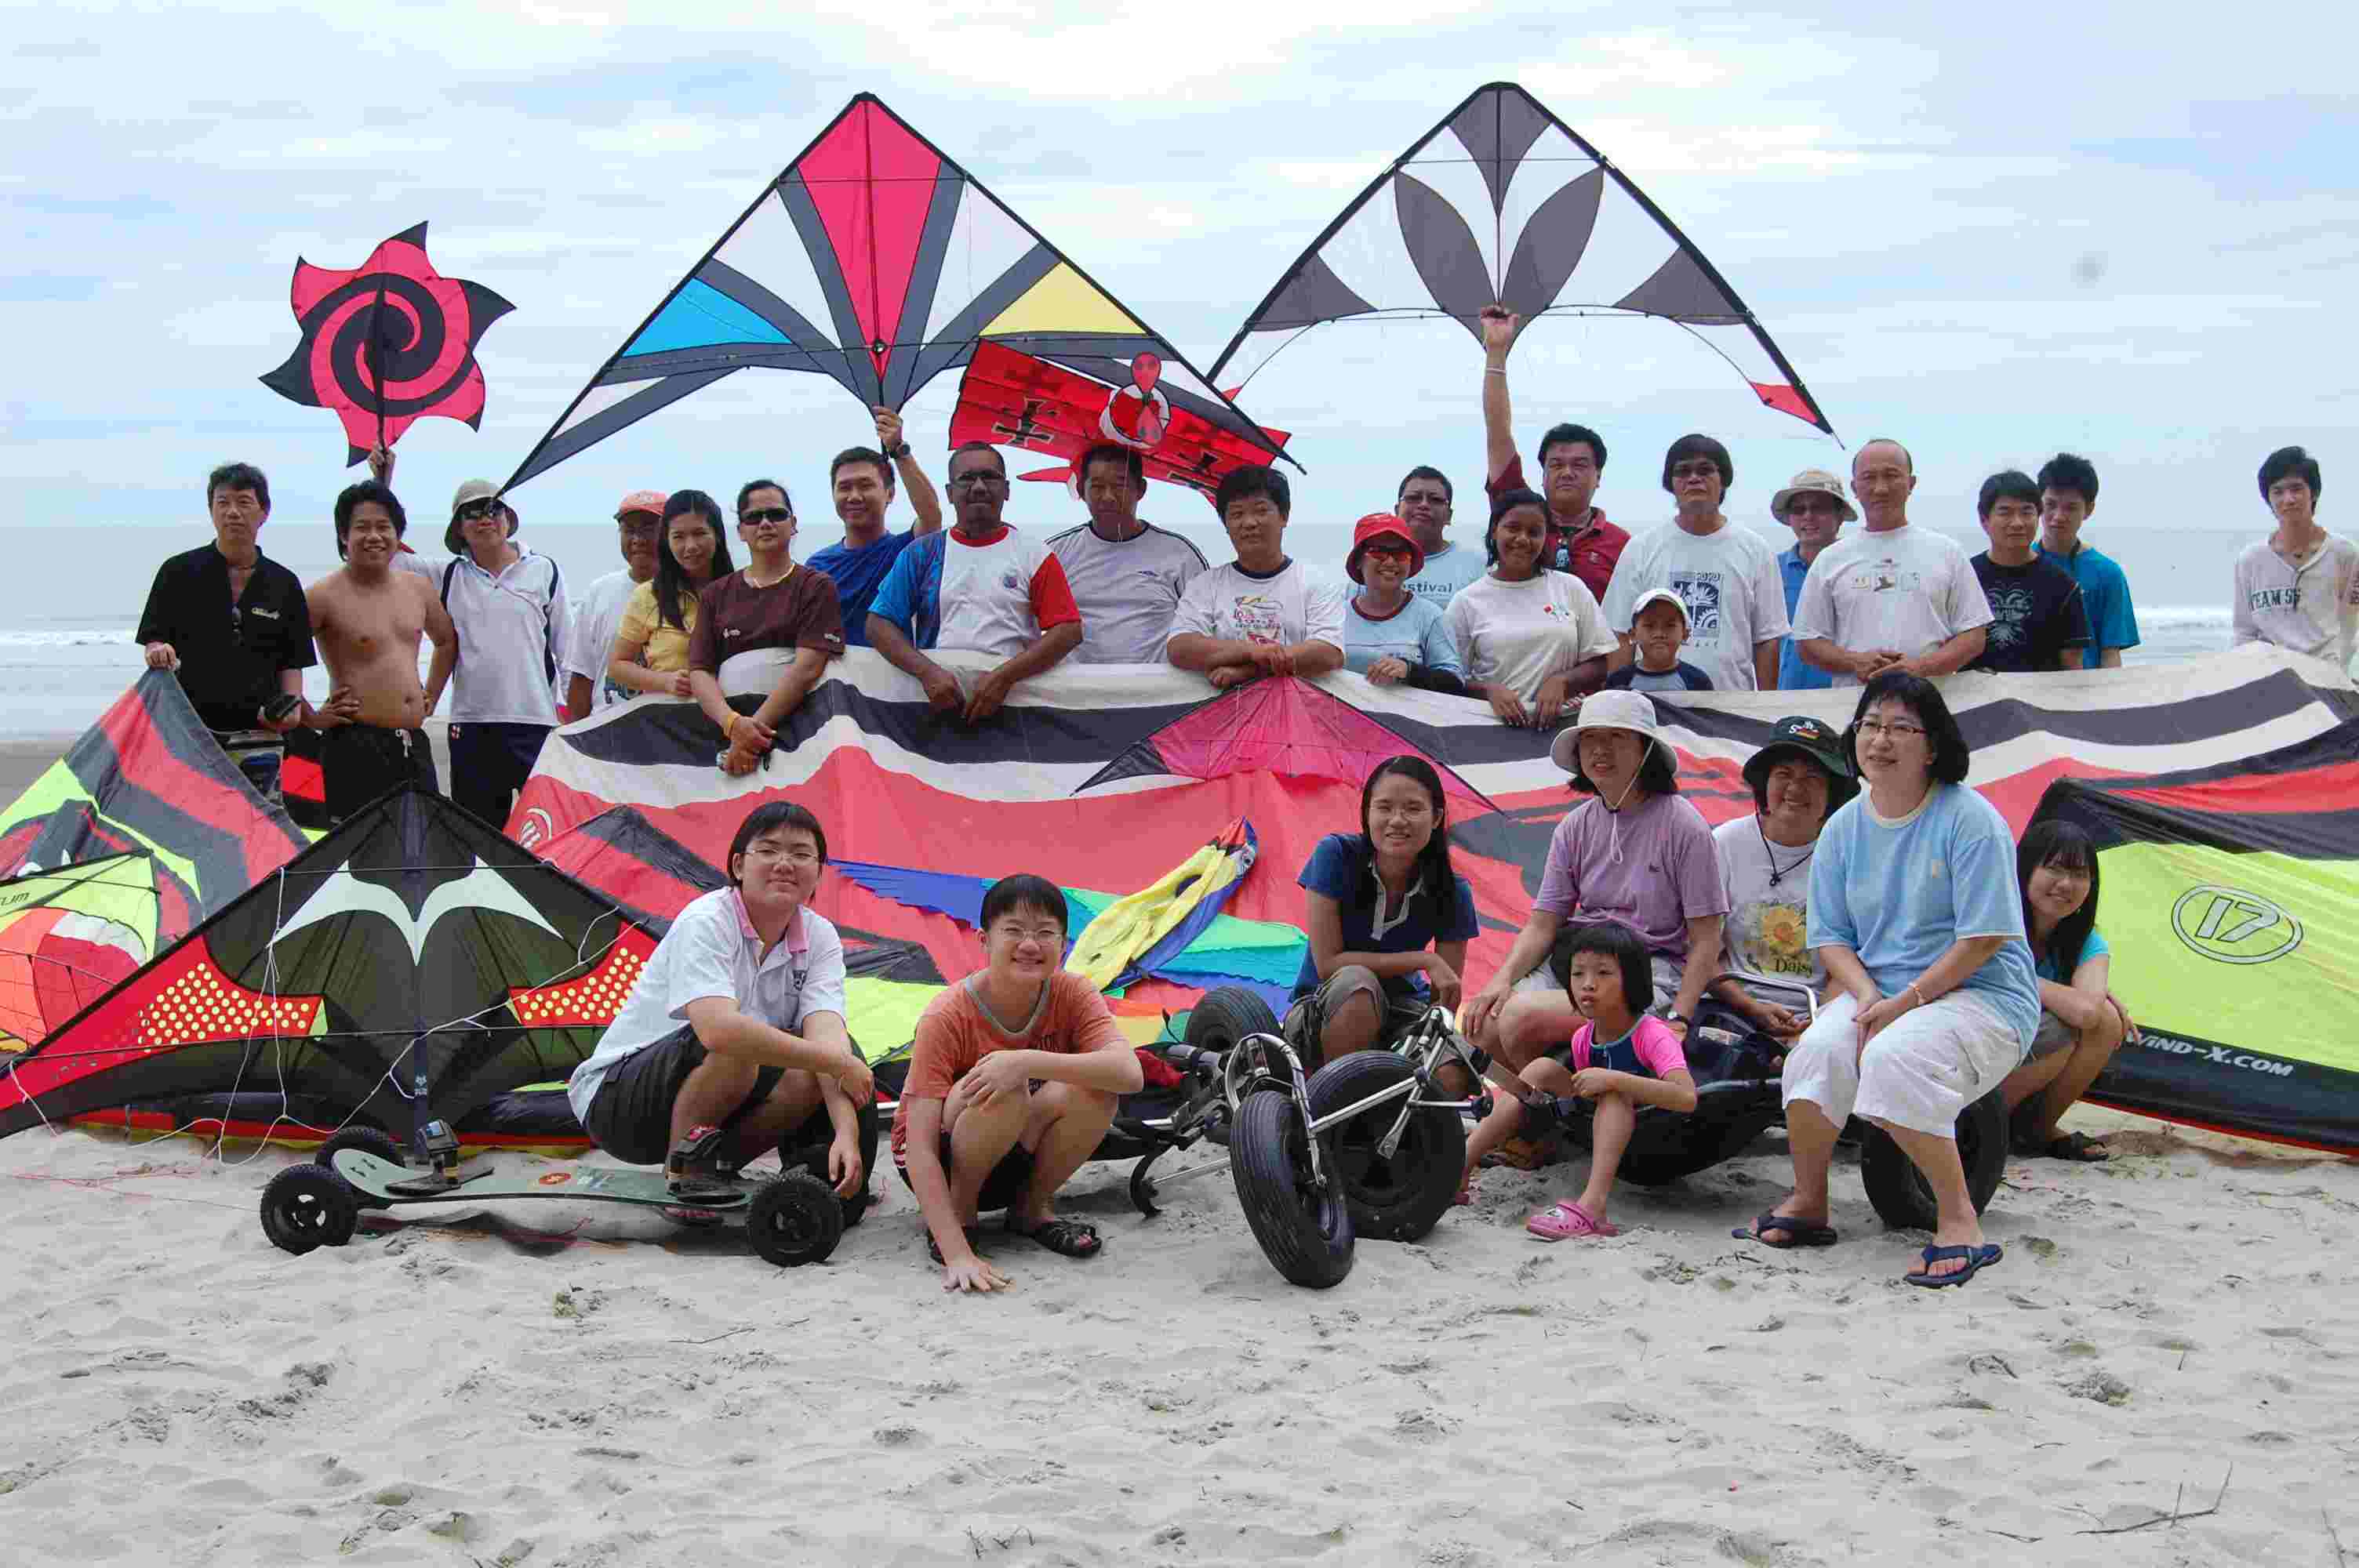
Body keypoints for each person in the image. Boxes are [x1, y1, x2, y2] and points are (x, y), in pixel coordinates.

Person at [1738, 672, 2041, 1289]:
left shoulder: (1969, 818)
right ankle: (1810, 1201)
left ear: (1932, 746)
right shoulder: (1845, 826)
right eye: (1871, 725)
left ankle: (1959, 1223)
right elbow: (1831, 938)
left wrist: (1906, 1001)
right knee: (1816, 1053)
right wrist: (1868, 994)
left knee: (1894, 1058)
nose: (1881, 739)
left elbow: (1984, 939)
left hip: (1980, 995)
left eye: (1902, 728)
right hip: (1883, 993)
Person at [565, 803, 872, 1202]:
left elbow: (829, 1035)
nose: (784, 863)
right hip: (619, 1102)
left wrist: (847, 1134)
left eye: (800, 854)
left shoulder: (821, 937)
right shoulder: (707, 919)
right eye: (769, 850)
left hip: (715, 1094)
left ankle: (718, 1166)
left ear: (818, 872)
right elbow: (717, 1030)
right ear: (740, 865)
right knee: (738, 1044)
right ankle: (685, 1175)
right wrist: (834, 1061)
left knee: (814, 1063)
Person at [892, 873, 1146, 1293]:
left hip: (1016, 1144)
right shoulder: (947, 1014)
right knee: (1001, 1084)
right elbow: (918, 1147)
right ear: (983, 940)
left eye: (1045, 933)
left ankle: (1030, 1210)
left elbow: (1129, 1073)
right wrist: (955, 1252)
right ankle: (962, 1215)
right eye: (1013, 931)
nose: (1030, 945)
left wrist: (1024, 1060)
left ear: (1063, 946)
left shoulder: (1073, 992)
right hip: (942, 1159)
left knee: (1094, 1086)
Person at [1459, 690, 1728, 1076]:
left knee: (1519, 1016)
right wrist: (1500, 980)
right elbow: (1543, 923)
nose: (1600, 749)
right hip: (1579, 960)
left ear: (1645, 750)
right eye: (1590, 738)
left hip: (1646, 970)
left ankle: (1551, 1115)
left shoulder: (1684, 825)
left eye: (1617, 737)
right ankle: (1543, 1117)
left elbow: (1706, 939)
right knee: (1482, 1022)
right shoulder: (1576, 825)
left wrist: (1680, 1018)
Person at [1459, 920, 1697, 1239]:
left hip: (1653, 1131)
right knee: (1542, 1068)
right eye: (1577, 974)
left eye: (1603, 973)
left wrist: (1615, 1080)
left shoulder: (1652, 1034)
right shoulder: (1584, 1036)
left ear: (1633, 981)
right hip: (1597, 1125)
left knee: (1614, 1093)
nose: (1587, 984)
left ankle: (1593, 1207)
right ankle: (1461, 1165)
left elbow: (1686, 1097)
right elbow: (1584, 1091)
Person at [136, 461, 315, 801]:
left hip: (260, 739)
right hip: (189, 737)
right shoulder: (177, 572)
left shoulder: (284, 584)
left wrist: (289, 715)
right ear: (211, 510)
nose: (233, 512)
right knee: (189, 831)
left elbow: (292, 665)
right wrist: (157, 650)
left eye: (244, 502)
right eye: (223, 503)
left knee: (261, 836)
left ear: (264, 512)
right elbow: (153, 641)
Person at [1285, 757, 1480, 1069]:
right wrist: (1424, 959)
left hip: (1401, 1012)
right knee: (1358, 986)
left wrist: (1432, 1047)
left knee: (1453, 1072)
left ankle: (1397, 1111)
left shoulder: (1453, 891)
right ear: (1367, 813)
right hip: (1323, 1011)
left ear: (1436, 817)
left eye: (1413, 809)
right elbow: (1328, 965)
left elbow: (1443, 997)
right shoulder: (1336, 856)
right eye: (1385, 807)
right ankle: (1333, 1106)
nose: (1398, 820)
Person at [868, 444, 1085, 720]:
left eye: (989, 477)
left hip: (1014, 708)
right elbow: (878, 624)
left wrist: (1003, 679)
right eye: (967, 478)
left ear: (1006, 490)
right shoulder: (921, 553)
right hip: (937, 705)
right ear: (949, 493)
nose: (979, 487)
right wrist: (926, 672)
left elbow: (1068, 631)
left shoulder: (1034, 554)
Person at [303, 481, 456, 822]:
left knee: (422, 854)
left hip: (414, 745)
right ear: (344, 536)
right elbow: (281, 655)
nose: (374, 535)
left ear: (397, 534)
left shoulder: (418, 589)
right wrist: (311, 716)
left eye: (383, 526)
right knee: (359, 860)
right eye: (362, 527)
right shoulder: (322, 596)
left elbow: (446, 641)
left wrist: (431, 693)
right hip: (354, 746)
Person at [1791, 440, 1994, 684]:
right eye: (1869, 478)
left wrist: (1922, 667)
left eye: (1891, 476)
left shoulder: (1948, 552)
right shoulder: (1830, 559)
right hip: (1852, 706)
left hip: (1932, 701)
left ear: (1911, 483)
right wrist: (1854, 661)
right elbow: (1807, 643)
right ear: (1855, 487)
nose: (1880, 488)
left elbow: (1974, 635)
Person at [1600, 435, 1788, 691]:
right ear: (1671, 484)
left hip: (1731, 707)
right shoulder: (1641, 548)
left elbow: (1767, 639)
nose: (1694, 478)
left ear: (1724, 481)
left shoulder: (1756, 549)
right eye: (1683, 471)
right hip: (1653, 707)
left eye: (1705, 470)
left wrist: (1765, 709)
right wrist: (1617, 703)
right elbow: (1622, 633)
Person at [431, 480, 569, 829]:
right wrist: (382, 479)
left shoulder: (545, 570)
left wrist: (575, 719)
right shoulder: (448, 575)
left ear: (508, 518)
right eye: (472, 513)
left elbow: (567, 652)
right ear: (459, 528)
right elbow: (391, 556)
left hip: (536, 725)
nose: (485, 518)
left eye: (494, 509)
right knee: (478, 837)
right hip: (471, 728)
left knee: (545, 831)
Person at [686, 480, 845, 778]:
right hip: (724, 738)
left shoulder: (816, 586)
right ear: (741, 531)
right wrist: (733, 725)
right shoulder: (716, 594)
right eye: (753, 517)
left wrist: (749, 738)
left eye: (776, 514)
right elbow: (700, 671)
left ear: (793, 523)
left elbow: (807, 669)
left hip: (801, 735)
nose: (765, 524)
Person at [1710, 716, 1857, 1036]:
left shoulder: (1850, 857)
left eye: (1813, 778)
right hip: (1729, 1008)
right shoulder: (1725, 843)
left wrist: (1814, 1031)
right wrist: (1748, 1007)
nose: (1795, 788)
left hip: (1818, 1017)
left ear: (1833, 793)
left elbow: (1849, 969)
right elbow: (1700, 949)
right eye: (1783, 774)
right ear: (1764, 783)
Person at [1999, 820, 2135, 1162]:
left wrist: (2022, 979)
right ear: (2025, 868)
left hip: (2028, 1061)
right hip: (1977, 1052)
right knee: (2064, 1027)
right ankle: (1975, 1124)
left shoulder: (2087, 941)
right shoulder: (1996, 921)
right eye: (2054, 869)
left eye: (2079, 874)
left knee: (2105, 1019)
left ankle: (2037, 1129)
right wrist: (2067, 994)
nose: (2066, 884)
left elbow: (2088, 1012)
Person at [1478, 306, 1627, 602]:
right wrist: (1496, 350)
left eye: (1580, 465)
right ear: (1543, 475)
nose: (1567, 472)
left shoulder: (1624, 546)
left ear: (1599, 476)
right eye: (1556, 464)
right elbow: (1498, 432)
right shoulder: (1519, 514)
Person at [1444, 488, 1616, 727]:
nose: (1523, 539)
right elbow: (1449, 678)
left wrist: (1562, 681)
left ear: (1546, 537)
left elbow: (1599, 664)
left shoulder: (1571, 588)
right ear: (1495, 530)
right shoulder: (1466, 601)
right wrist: (1489, 691)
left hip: (1562, 727)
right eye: (1513, 528)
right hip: (1489, 732)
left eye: (1534, 532)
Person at [1165, 465, 1347, 688]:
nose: (1249, 523)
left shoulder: (1317, 583)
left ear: (1284, 516)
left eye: (1261, 511)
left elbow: (1329, 653)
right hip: (1223, 716)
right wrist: (1252, 652)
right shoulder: (1205, 585)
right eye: (1237, 514)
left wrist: (1248, 671)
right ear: (1226, 524)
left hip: (1297, 716)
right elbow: (1180, 647)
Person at [1046, 442, 1209, 664]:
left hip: (1161, 695)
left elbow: (1206, 626)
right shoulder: (1055, 553)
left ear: (1141, 489)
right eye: (1097, 486)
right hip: (1076, 694)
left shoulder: (1181, 554)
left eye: (1120, 485)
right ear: (1081, 490)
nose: (1108, 497)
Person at [805, 406, 945, 646]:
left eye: (865, 485)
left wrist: (898, 451)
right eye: (844, 487)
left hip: (891, 677)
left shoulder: (904, 551)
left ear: (889, 494)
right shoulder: (816, 566)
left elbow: (931, 517)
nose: (855, 496)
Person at [2233, 445, 2358, 670]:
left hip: (2327, 679)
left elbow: (2352, 626)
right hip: (2268, 678)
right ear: (2268, 499)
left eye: (2297, 489)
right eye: (2277, 491)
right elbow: (2244, 631)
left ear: (2314, 493)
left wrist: (2336, 670)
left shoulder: (2345, 555)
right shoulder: (2250, 560)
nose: (2288, 499)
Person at [609, 489, 736, 699]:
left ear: (718, 535)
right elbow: (617, 666)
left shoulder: (741, 590)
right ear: (666, 541)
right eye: (678, 536)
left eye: (700, 533)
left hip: (735, 720)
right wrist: (665, 681)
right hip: (668, 724)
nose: (690, 546)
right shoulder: (648, 595)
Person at [1967, 470, 2091, 673]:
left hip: (2041, 701)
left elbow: (2073, 670)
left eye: (2027, 512)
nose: (2017, 523)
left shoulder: (2064, 587)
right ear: (1984, 520)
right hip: (1976, 701)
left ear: (2038, 516)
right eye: (2005, 512)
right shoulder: (1965, 577)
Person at [563, 492, 664, 718]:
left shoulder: (692, 593)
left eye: (648, 529)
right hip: (606, 733)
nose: (637, 539)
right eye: (629, 530)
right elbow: (582, 676)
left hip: (670, 733)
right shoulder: (598, 592)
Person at [2035, 454, 2139, 670]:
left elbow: (2110, 653)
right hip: (2026, 695)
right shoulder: (2019, 564)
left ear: (2089, 509)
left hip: (2085, 696)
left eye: (2070, 508)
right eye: (2051, 505)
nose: (2058, 516)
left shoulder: (2108, 573)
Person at [1342, 514, 1465, 694]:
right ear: (1359, 560)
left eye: (1400, 554)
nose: (1390, 562)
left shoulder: (1430, 616)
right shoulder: (1336, 616)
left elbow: (1455, 682)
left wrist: (1409, 671)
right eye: (1379, 552)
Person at [1771, 470, 1852, 692]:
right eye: (1799, 510)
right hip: (1786, 698)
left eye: (1819, 508)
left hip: (1847, 695)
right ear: (1789, 518)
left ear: (1840, 516)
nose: (1808, 516)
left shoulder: (1858, 569)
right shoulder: (1770, 570)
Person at [1396, 466, 1486, 606]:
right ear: (1397, 510)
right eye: (1414, 498)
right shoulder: (1373, 561)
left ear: (1449, 516)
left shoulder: (1477, 565)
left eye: (1435, 500)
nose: (1424, 505)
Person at [1602, 589, 1713, 693]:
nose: (1659, 634)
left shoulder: (1697, 682)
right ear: (1633, 635)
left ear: (1685, 635)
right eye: (1649, 626)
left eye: (1670, 625)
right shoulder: (1618, 682)